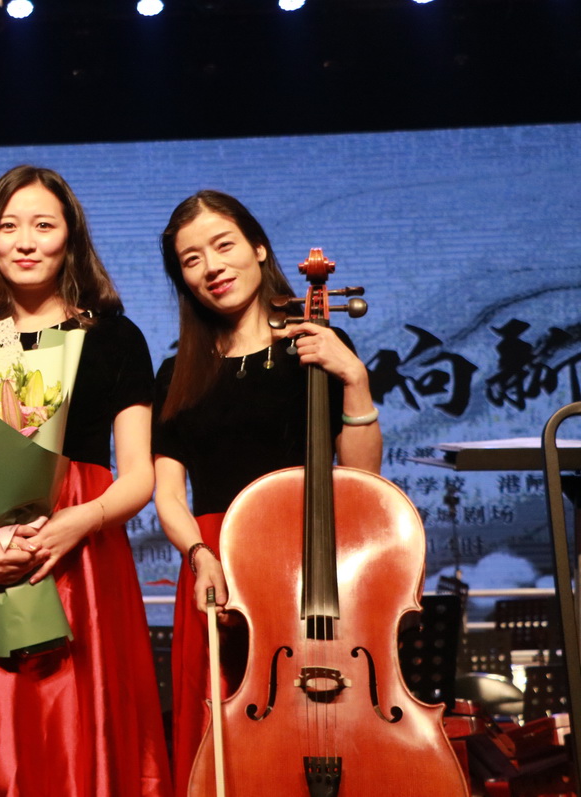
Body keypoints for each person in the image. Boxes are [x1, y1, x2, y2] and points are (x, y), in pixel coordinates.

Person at [0, 165, 172, 797]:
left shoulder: (115, 337)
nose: (26, 241)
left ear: (71, 237)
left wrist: (78, 521)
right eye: (8, 227)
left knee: (82, 731)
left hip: (84, 554)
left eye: (43, 225)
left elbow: (138, 475)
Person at [150, 190, 383, 796]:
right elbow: (168, 493)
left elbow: (362, 480)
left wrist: (354, 378)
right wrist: (198, 554)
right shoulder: (176, 375)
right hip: (217, 567)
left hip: (310, 562)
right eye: (191, 259)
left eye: (223, 245)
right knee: (225, 744)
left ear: (258, 248)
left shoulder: (318, 345)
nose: (212, 267)